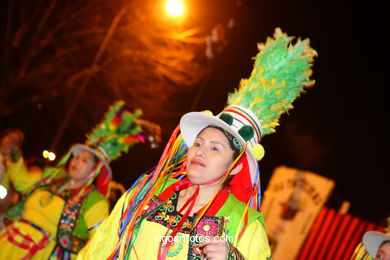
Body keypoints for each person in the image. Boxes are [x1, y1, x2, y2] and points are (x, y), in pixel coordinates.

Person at [78, 28, 317, 259]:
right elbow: (101, 247)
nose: (200, 152)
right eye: (199, 144)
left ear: (235, 166)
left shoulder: (246, 225)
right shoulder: (147, 193)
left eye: (215, 148)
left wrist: (232, 258)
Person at [0, 101, 158, 259]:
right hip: (8, 243)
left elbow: (101, 238)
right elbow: (22, 182)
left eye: (85, 160)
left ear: (95, 169)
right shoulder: (51, 178)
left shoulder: (93, 200)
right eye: (76, 157)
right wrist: (13, 150)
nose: (76, 162)